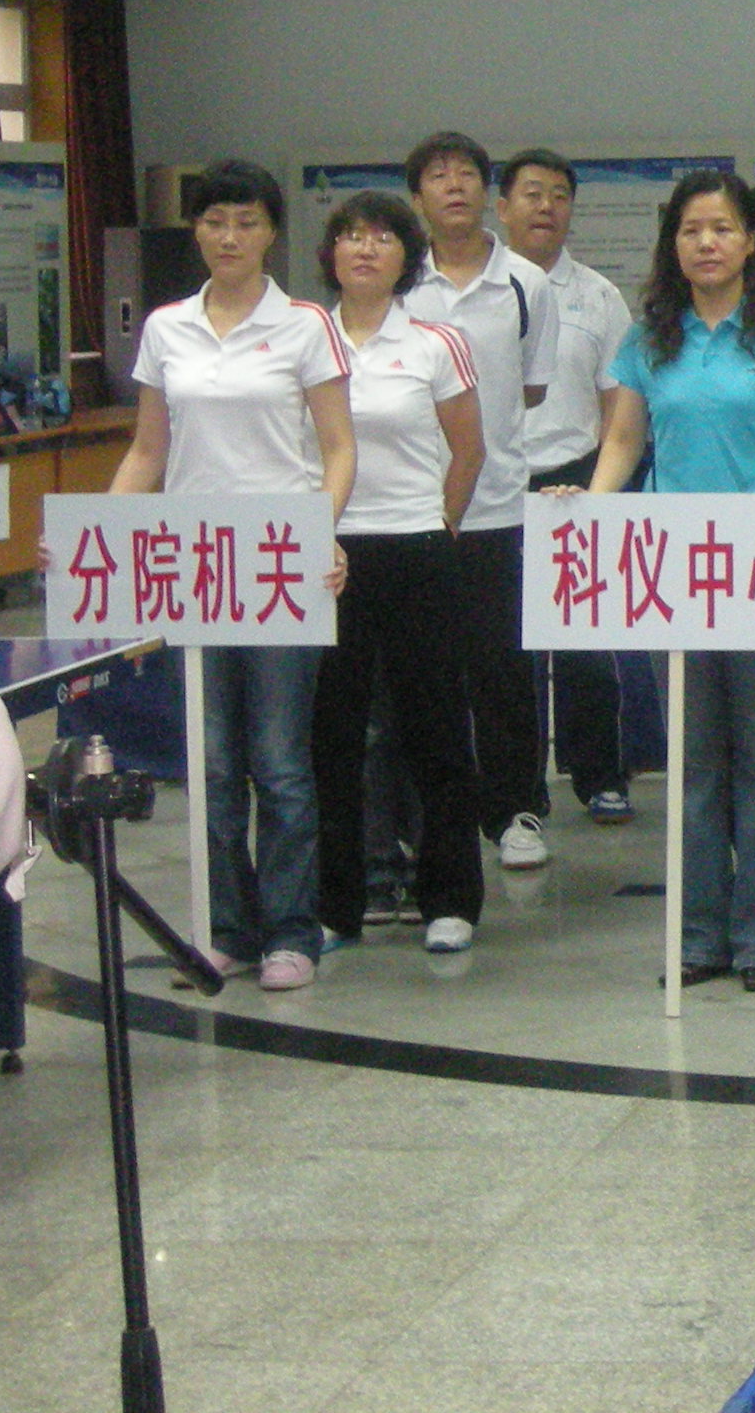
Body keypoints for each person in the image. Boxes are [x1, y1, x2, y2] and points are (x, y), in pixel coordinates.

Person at [569, 171, 755, 992]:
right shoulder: (650, 339)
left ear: (749, 241)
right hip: (673, 567)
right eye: (691, 230)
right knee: (692, 761)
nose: (707, 243)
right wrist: (588, 509)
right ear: (673, 244)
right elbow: (624, 442)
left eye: (722, 228)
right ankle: (696, 937)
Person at [113, 162, 355, 991]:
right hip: (195, 568)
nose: (229, 237)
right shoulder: (167, 328)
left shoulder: (305, 326)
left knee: (279, 761)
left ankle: (292, 931)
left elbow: (339, 448)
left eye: (246, 222)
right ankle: (227, 928)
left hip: (278, 565)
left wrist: (320, 533)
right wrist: (94, 538)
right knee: (213, 763)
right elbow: (148, 450)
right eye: (214, 221)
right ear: (196, 229)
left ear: (272, 233)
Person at [307, 192, 486, 957]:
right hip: (326, 557)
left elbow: (469, 452)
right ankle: (337, 904)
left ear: (405, 257)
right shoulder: (303, 338)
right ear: (331, 255)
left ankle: (450, 899)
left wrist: (439, 523)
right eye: (350, 236)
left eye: (382, 238)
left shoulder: (436, 343)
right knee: (333, 737)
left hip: (416, 548)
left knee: (435, 728)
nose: (364, 249)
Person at [401, 132, 558, 873]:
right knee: (420, 673)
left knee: (503, 669)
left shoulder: (527, 282)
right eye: (438, 176)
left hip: (498, 506)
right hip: (407, 511)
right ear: (417, 198)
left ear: (487, 193)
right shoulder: (398, 280)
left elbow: (532, 387)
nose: (454, 186)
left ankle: (514, 811)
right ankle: (428, 820)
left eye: (466, 174)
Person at [499, 149, 639, 825]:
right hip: (494, 484)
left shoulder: (599, 296)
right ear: (503, 208)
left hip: (578, 478)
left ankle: (601, 776)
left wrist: (599, 491)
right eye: (532, 193)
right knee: (509, 649)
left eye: (559, 195)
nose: (546, 206)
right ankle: (518, 794)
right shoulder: (482, 290)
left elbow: (621, 404)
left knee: (586, 644)